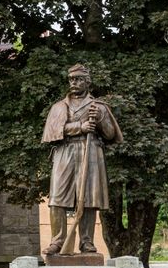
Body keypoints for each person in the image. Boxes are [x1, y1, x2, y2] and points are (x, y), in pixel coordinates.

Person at [42, 64, 123, 255]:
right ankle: (58, 241)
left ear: (87, 82)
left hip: (91, 151)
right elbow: (52, 133)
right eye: (71, 79)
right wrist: (81, 126)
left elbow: (111, 135)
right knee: (57, 197)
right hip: (65, 151)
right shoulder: (59, 107)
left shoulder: (98, 106)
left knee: (88, 198)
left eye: (78, 79)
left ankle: (86, 241)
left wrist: (101, 120)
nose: (74, 83)